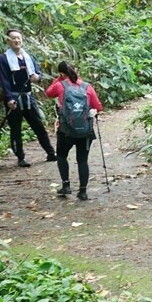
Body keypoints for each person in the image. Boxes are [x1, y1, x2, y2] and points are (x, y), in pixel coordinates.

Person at [0, 29, 57, 167]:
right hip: (14, 99)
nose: (16, 40)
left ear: (22, 39)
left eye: (18, 38)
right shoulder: (4, 58)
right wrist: (9, 98)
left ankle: (51, 153)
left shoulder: (28, 57)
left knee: (39, 126)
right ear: (8, 41)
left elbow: (38, 74)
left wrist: (38, 77)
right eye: (13, 38)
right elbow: (4, 80)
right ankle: (21, 157)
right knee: (16, 129)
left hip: (29, 98)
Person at [45, 62, 103, 201]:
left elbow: (48, 93)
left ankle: (66, 186)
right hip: (84, 130)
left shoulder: (60, 85)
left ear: (61, 73)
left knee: (61, 156)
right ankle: (83, 191)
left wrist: (59, 79)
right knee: (83, 160)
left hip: (66, 130)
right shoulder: (86, 86)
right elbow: (98, 107)